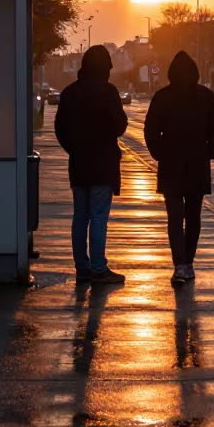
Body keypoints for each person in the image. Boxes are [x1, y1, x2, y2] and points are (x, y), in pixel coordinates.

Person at [144, 50, 214, 284]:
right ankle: (188, 262)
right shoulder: (207, 97)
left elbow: (150, 130)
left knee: (174, 217)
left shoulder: (162, 97)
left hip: (171, 164)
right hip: (198, 163)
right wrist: (210, 151)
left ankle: (179, 263)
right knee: (193, 216)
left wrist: (159, 153)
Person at [54, 44, 128, 284]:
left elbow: (60, 129)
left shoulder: (69, 93)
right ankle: (98, 267)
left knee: (80, 215)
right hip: (103, 163)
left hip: (79, 163)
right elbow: (120, 126)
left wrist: (74, 149)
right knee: (98, 217)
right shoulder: (108, 92)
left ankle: (82, 267)